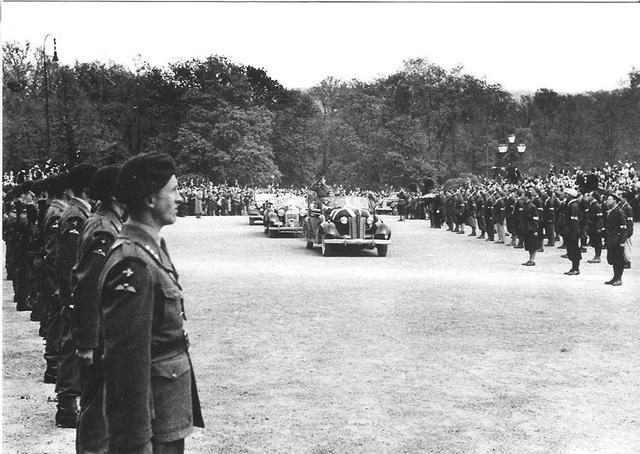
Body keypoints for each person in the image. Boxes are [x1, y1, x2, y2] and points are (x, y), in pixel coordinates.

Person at [99, 153, 203, 454]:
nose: (180, 197)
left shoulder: (152, 248)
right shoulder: (133, 262)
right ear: (149, 199)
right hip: (152, 419)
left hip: (166, 406)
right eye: (172, 190)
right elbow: (127, 362)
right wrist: (135, 440)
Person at [72, 165, 125, 453]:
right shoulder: (105, 228)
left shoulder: (105, 222)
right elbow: (89, 286)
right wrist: (88, 342)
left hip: (103, 332)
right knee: (95, 412)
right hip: (100, 335)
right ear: (116, 194)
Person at [55, 163, 98, 428]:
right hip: (72, 290)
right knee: (72, 344)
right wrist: (72, 295)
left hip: (73, 289)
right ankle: (67, 406)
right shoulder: (76, 216)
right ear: (86, 187)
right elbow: (70, 260)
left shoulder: (81, 212)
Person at [603, 192, 628, 285]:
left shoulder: (619, 211)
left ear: (614, 201)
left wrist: (622, 240)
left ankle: (619, 278)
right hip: (611, 238)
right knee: (613, 258)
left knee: (618, 259)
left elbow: (623, 227)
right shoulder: (612, 210)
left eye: (609, 199)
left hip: (617, 239)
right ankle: (615, 277)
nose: (607, 201)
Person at [563, 188, 582, 275]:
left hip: (572, 231)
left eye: (566, 194)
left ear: (570, 196)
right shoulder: (569, 204)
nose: (565, 195)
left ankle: (576, 268)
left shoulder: (573, 205)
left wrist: (573, 232)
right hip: (570, 231)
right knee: (571, 249)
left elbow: (574, 220)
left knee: (574, 249)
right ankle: (574, 267)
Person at [521, 190, 540, 266]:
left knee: (533, 244)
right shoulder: (524, 205)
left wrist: (535, 229)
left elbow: (536, 219)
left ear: (526, 197)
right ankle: (530, 259)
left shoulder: (532, 206)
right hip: (525, 227)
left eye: (523, 195)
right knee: (528, 244)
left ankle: (532, 260)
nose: (522, 197)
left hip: (531, 228)